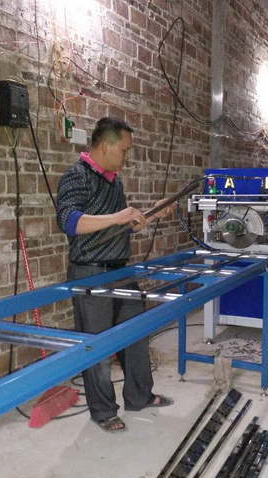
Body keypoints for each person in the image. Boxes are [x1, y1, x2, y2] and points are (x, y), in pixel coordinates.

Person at [56, 117, 175, 433]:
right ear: (106, 146)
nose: (127, 156)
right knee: (97, 347)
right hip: (90, 273)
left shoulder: (114, 182)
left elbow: (120, 227)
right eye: (124, 150)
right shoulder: (76, 176)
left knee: (136, 335)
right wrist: (116, 217)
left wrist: (150, 214)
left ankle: (139, 396)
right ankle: (103, 411)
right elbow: (69, 222)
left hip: (120, 270)